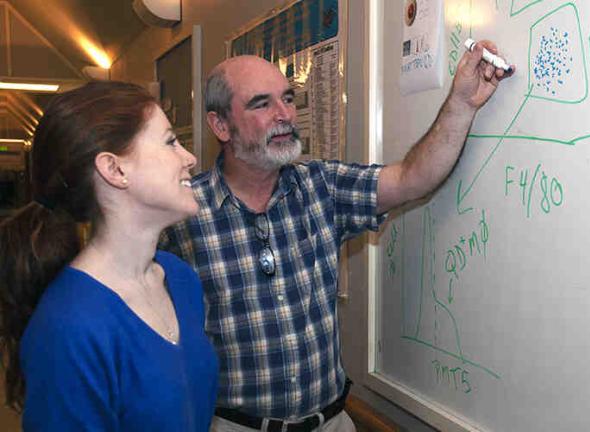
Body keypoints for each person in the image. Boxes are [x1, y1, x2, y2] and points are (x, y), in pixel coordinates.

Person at [160, 40, 513, 431]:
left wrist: (462, 102)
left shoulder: (321, 187)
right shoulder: (180, 213)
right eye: (262, 104)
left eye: (288, 99)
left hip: (332, 422)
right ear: (220, 125)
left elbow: (414, 177)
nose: (285, 115)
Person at [0, 81, 219, 431]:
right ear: (115, 170)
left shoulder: (180, 279)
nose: (189, 158)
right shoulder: (68, 327)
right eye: (170, 142)